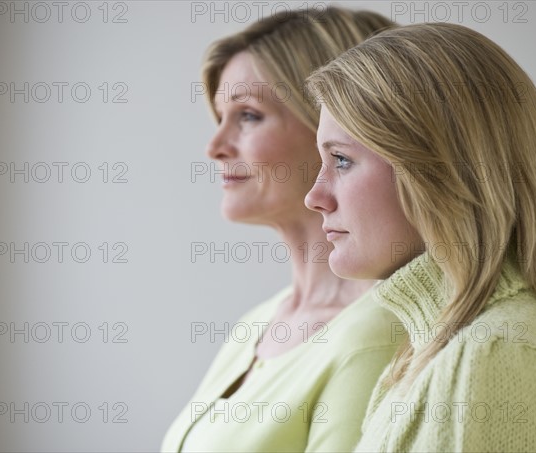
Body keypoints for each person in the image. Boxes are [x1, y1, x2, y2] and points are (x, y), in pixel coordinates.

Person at [305, 22, 536, 452]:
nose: (315, 197)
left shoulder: (502, 354)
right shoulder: (420, 358)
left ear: (438, 170)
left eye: (341, 160)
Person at [161, 7, 401, 453]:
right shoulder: (255, 325)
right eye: (220, 116)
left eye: (248, 115)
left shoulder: (374, 336)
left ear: (339, 121)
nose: (215, 147)